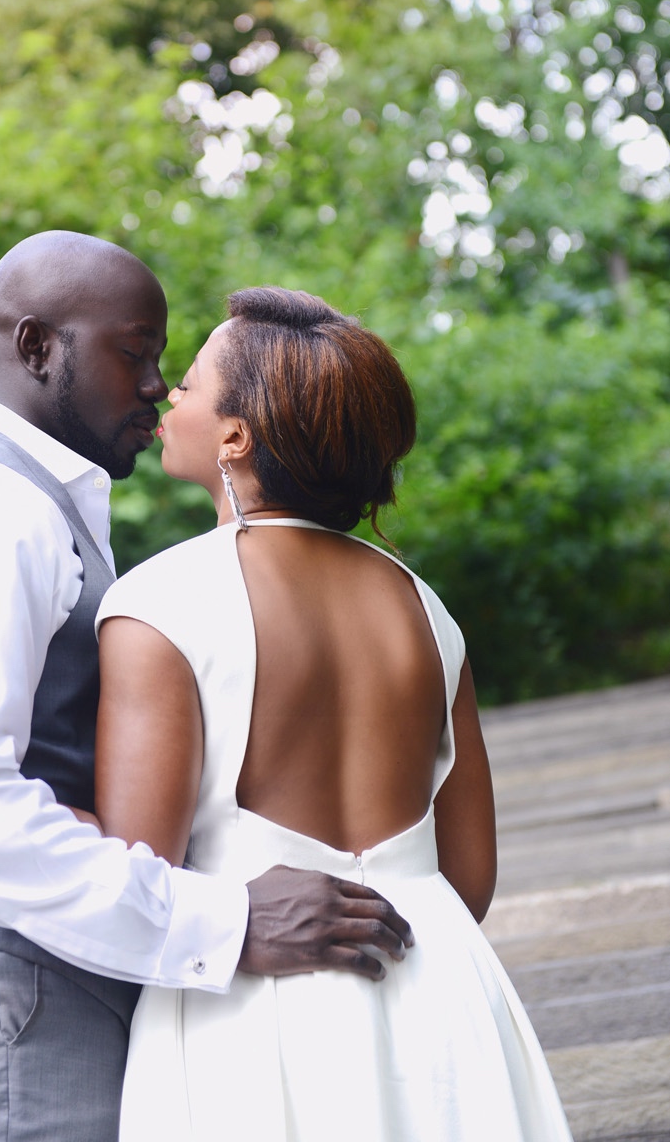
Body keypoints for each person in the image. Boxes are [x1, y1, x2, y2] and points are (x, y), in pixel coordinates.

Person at [0, 234, 416, 1142]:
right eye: (133, 352)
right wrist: (227, 918)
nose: (155, 384)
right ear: (35, 347)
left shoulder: (27, 509)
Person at [94, 286, 574, 1141]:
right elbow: (469, 877)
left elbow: (137, 879)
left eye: (192, 385)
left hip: (251, 1011)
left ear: (235, 436)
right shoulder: (425, 609)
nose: (170, 395)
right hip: (439, 997)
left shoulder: (157, 604)